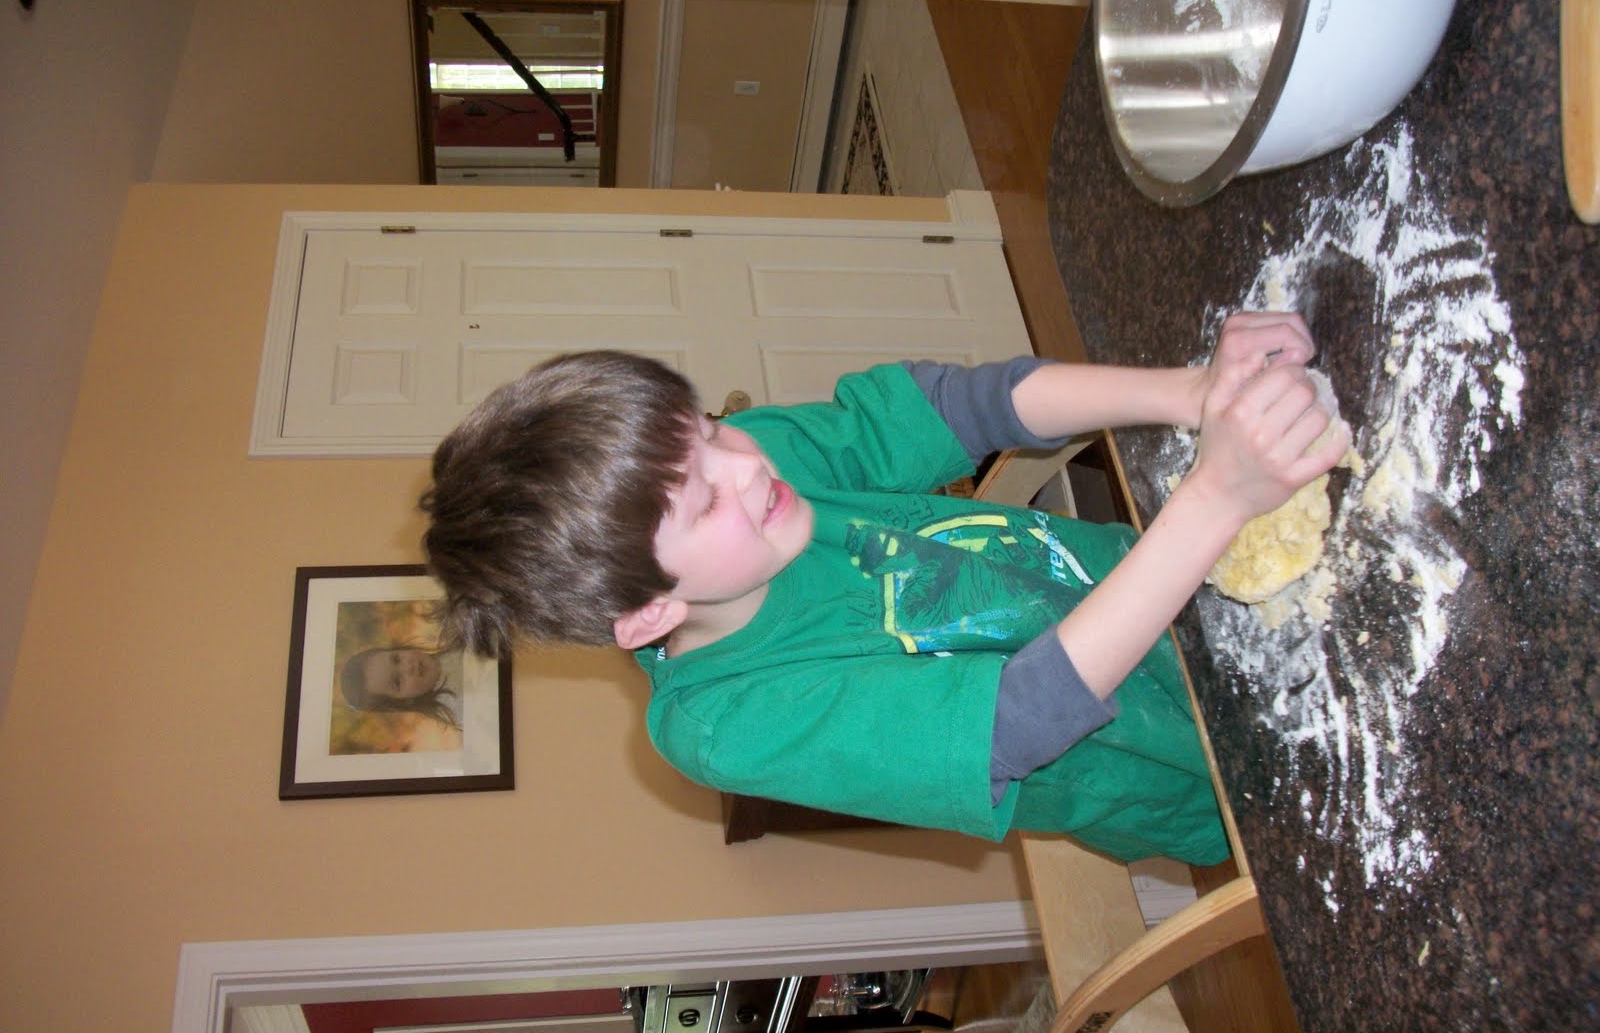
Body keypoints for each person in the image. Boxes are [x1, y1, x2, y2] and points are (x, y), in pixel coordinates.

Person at [419, 312, 1346, 863]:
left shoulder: (755, 472)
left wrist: (1192, 392)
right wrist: (1215, 496)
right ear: (652, 611)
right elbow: (1019, 719)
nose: (747, 465)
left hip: (1183, 589)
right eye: (704, 501)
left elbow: (958, 408)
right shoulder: (726, 723)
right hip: (1209, 766)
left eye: (708, 431)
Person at [338, 645, 461, 731]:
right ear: (404, 701)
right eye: (397, 682)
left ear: (400, 649)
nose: (408, 667)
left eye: (397, 659)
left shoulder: (455, 642)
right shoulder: (458, 707)